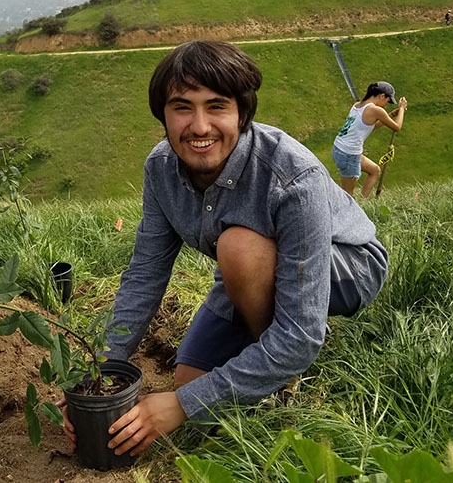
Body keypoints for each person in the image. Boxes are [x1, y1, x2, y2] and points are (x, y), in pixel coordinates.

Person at [61, 40, 389, 457]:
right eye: (182, 107)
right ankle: (262, 347)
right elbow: (145, 273)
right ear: (163, 114)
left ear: (242, 113)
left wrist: (180, 406)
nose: (199, 127)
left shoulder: (292, 174)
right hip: (249, 264)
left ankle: (284, 378)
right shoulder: (160, 169)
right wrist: (97, 373)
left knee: (238, 256)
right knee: (189, 379)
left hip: (349, 265)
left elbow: (301, 336)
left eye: (216, 106)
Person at [332, 81, 408, 198]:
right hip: (349, 154)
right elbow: (397, 127)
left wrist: (392, 114)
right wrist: (402, 109)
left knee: (375, 170)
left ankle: (362, 202)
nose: (386, 105)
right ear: (382, 96)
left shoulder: (358, 105)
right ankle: (350, 211)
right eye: (387, 101)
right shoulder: (376, 110)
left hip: (339, 148)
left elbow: (372, 126)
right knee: (348, 195)